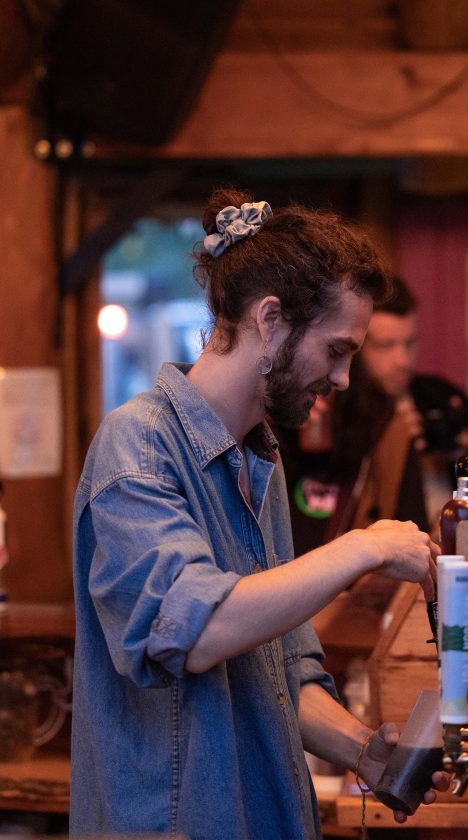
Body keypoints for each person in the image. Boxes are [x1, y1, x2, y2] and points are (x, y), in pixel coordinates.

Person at [70, 190, 447, 839]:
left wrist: (362, 749)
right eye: (337, 350)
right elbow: (195, 631)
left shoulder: (259, 463)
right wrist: (365, 547)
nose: (345, 378)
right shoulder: (136, 449)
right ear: (270, 321)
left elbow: (280, 670)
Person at [359, 275, 468, 527]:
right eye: (386, 346)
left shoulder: (433, 395)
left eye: (411, 342)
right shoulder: (334, 408)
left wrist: (462, 452)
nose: (403, 360)